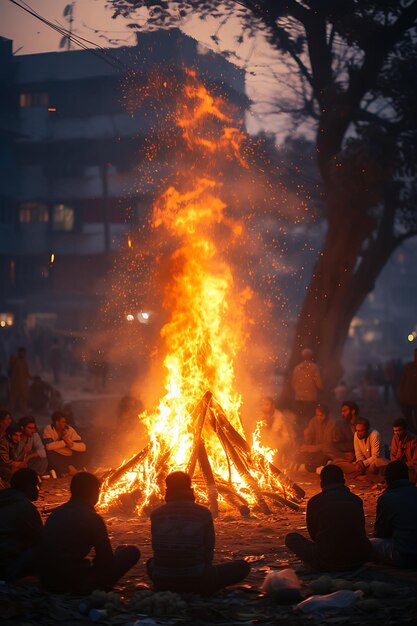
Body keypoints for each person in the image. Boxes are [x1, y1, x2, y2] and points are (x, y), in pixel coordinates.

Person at [148, 471, 251, 594]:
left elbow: (156, 548)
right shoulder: (203, 513)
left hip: (162, 582)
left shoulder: (156, 514)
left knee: (150, 563)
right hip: (197, 581)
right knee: (242, 566)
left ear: (167, 490)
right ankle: (199, 586)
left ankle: (171, 581)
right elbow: (208, 553)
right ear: (190, 489)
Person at [40, 472, 140, 593]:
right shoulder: (93, 518)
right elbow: (105, 560)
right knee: (131, 552)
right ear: (93, 492)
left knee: (120, 551)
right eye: (98, 490)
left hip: (48, 581)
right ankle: (100, 586)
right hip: (76, 583)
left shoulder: (56, 514)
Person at [285, 465, 371, 570]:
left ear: (321, 484)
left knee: (291, 538)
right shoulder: (356, 499)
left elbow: (313, 535)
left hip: (327, 560)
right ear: (343, 481)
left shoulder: (315, 502)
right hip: (357, 559)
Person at [371, 460, 417, 567]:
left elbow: (381, 532)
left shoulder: (387, 498)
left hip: (404, 554)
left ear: (387, 479)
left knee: (369, 543)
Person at [0, 468, 43, 581]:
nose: (39, 489)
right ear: (29, 487)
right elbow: (41, 539)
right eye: (38, 485)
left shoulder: (4, 498)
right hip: (7, 566)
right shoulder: (26, 508)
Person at [43, 411, 87, 476]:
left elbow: (83, 447)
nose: (65, 424)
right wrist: (65, 442)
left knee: (85, 452)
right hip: (57, 456)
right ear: (57, 423)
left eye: (66, 422)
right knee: (50, 453)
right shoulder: (48, 429)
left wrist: (71, 445)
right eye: (63, 422)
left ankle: (69, 470)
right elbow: (48, 446)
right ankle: (70, 470)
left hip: (69, 455)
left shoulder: (69, 429)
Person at [291, 348, 323, 437]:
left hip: (299, 398)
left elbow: (293, 383)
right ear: (311, 356)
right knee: (310, 419)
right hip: (311, 399)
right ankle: (309, 436)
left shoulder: (297, 368)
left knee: (299, 418)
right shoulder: (314, 367)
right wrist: (322, 389)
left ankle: (298, 436)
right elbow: (319, 383)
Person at [298, 403, 337, 472]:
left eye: (321, 415)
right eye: (317, 415)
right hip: (315, 450)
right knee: (300, 454)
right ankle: (305, 465)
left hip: (325, 452)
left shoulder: (331, 424)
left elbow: (327, 445)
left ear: (326, 414)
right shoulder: (313, 421)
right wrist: (306, 436)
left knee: (321, 458)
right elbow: (309, 441)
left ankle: (310, 467)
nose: (319, 417)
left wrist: (312, 448)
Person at [258, 397, 294, 465]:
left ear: (273, 406)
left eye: (267, 404)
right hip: (269, 441)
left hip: (282, 442)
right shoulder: (261, 416)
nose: (264, 407)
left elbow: (274, 433)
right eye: (262, 404)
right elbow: (259, 431)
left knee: (275, 463)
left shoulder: (279, 416)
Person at [390, 418, 417, 483]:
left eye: (399, 430)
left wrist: (404, 464)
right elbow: (393, 456)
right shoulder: (395, 438)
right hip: (399, 463)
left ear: (405, 429)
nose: (396, 433)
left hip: (411, 465)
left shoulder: (414, 439)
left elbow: (415, 460)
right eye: (395, 431)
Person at [0, 424, 26, 488]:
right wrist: (17, 464)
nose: (18, 439)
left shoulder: (13, 443)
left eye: (20, 436)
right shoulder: (3, 443)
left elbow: (14, 458)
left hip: (7, 466)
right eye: (16, 435)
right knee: (12, 475)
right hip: (1, 467)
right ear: (9, 435)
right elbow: (5, 462)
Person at [399, 349, 417, 432]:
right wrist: (401, 395)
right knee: (408, 418)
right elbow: (402, 382)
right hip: (407, 399)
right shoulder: (408, 367)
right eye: (415, 355)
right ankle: (412, 432)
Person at [9, 347, 31, 413]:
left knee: (24, 398)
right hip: (15, 383)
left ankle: (24, 411)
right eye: (21, 352)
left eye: (24, 353)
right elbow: (10, 364)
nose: (23, 354)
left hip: (23, 384)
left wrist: (32, 378)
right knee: (13, 398)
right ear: (19, 353)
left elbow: (27, 373)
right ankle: (11, 411)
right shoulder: (15, 360)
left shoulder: (24, 362)